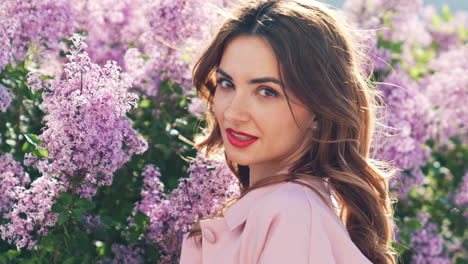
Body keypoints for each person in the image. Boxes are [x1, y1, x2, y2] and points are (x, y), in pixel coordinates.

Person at [179, 0, 399, 263]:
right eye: (227, 83)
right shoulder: (280, 208)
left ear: (319, 108)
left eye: (267, 92)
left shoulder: (290, 214)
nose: (233, 113)